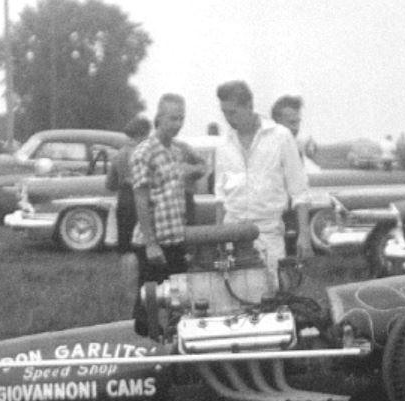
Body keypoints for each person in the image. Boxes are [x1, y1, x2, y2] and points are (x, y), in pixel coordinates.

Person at [215, 80, 312, 291]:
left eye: (233, 112)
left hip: (268, 233)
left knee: (274, 293)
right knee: (234, 295)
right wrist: (218, 239)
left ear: (249, 106)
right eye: (224, 113)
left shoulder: (280, 137)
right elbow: (220, 197)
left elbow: (299, 192)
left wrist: (304, 235)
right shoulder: (223, 146)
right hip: (233, 235)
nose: (228, 119)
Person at [130, 94, 195, 335]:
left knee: (178, 300)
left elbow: (198, 169)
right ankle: (143, 345)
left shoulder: (177, 151)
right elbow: (140, 197)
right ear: (158, 118)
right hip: (154, 242)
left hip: (176, 239)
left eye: (181, 118)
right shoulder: (144, 152)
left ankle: (174, 344)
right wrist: (151, 244)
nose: (177, 124)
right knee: (148, 303)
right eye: (172, 118)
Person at [271, 94, 318, 255]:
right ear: (277, 121)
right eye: (291, 123)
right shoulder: (268, 150)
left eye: (298, 122)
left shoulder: (295, 149)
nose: (296, 127)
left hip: (291, 216)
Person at [106, 116, 152, 254]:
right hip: (142, 199)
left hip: (124, 200)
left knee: (125, 244)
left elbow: (110, 184)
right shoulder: (146, 153)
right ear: (142, 134)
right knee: (141, 243)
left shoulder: (119, 155)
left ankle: (127, 273)